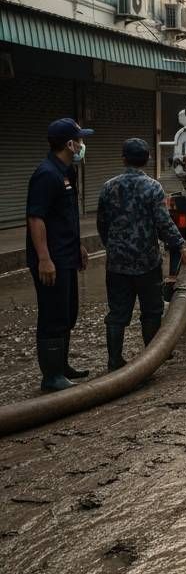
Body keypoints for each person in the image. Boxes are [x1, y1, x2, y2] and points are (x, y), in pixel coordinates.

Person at [96, 138, 186, 371]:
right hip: (147, 262)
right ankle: (152, 356)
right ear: (148, 159)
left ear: (123, 159)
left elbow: (102, 223)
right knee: (151, 311)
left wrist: (113, 246)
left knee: (118, 313)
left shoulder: (109, 186)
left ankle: (114, 360)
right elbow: (164, 223)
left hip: (117, 263)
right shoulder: (153, 187)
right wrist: (181, 246)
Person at [25, 118, 93, 391]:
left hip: (66, 255)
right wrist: (44, 258)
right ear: (69, 144)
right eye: (79, 140)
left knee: (68, 313)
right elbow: (36, 218)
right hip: (51, 259)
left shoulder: (67, 172)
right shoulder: (46, 174)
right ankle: (51, 377)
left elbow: (65, 217)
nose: (82, 145)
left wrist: (77, 246)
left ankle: (62, 367)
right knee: (53, 315)